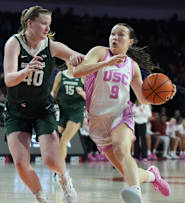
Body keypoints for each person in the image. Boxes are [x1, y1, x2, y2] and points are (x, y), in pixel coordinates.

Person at [72, 23, 175, 203]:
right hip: (97, 122)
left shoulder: (132, 66)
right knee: (128, 172)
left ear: (130, 42)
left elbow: (143, 99)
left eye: (120, 35)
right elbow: (77, 71)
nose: (114, 38)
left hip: (121, 114)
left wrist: (165, 97)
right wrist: (107, 63)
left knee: (122, 150)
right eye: (112, 34)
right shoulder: (99, 52)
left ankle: (135, 193)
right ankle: (152, 176)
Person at [3, 5, 83, 203]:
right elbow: (9, 79)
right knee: (21, 163)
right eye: (44, 23)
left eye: (49, 24)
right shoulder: (14, 43)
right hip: (16, 110)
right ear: (30, 23)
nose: (48, 28)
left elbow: (79, 58)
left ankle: (65, 181)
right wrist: (25, 71)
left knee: (50, 159)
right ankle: (40, 197)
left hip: (42, 109)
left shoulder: (51, 46)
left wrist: (75, 57)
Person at [51, 63, 86, 160]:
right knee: (56, 139)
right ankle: (57, 167)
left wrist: (82, 93)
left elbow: (90, 98)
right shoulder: (60, 75)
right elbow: (53, 92)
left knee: (64, 140)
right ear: (66, 61)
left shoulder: (83, 76)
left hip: (76, 112)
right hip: (62, 111)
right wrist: (50, 99)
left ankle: (60, 170)